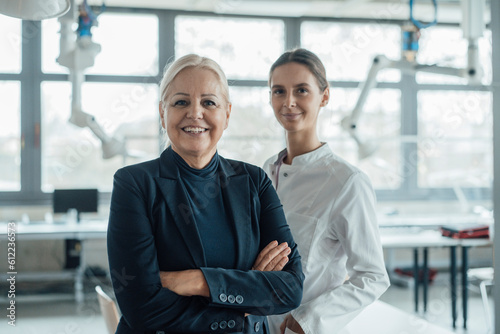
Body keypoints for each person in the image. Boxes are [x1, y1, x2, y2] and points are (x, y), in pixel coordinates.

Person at [107, 54, 304, 334]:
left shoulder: (253, 181)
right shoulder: (134, 184)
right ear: (163, 113)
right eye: (181, 102)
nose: (195, 113)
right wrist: (244, 301)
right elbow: (141, 308)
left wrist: (198, 281)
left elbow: (291, 289)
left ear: (227, 114)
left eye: (209, 102)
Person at [264, 48, 390, 334]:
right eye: (279, 91)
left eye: (302, 90)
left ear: (325, 96)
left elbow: (372, 276)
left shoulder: (347, 182)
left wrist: (308, 320)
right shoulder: (265, 171)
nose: (289, 102)